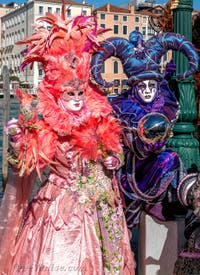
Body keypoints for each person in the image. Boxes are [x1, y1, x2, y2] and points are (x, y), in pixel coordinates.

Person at [0, 6, 135, 275]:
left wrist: (113, 159)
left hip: (102, 206)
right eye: (68, 93)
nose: (75, 97)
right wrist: (18, 139)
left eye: (79, 92)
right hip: (60, 207)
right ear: (55, 93)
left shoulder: (100, 118)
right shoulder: (46, 123)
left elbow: (116, 151)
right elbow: (27, 163)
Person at [90, 30, 199, 228]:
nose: (148, 90)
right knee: (124, 227)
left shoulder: (164, 105)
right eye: (142, 86)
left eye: (152, 85)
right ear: (134, 88)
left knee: (171, 158)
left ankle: (180, 199)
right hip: (131, 172)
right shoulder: (124, 110)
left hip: (155, 164)